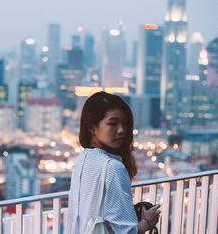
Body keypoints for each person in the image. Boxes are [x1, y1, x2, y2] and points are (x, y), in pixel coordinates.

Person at [67, 91, 160, 234]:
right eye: (113, 123)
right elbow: (128, 232)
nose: (122, 130)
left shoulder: (83, 158)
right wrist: (148, 222)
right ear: (92, 128)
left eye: (125, 123)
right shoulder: (112, 167)